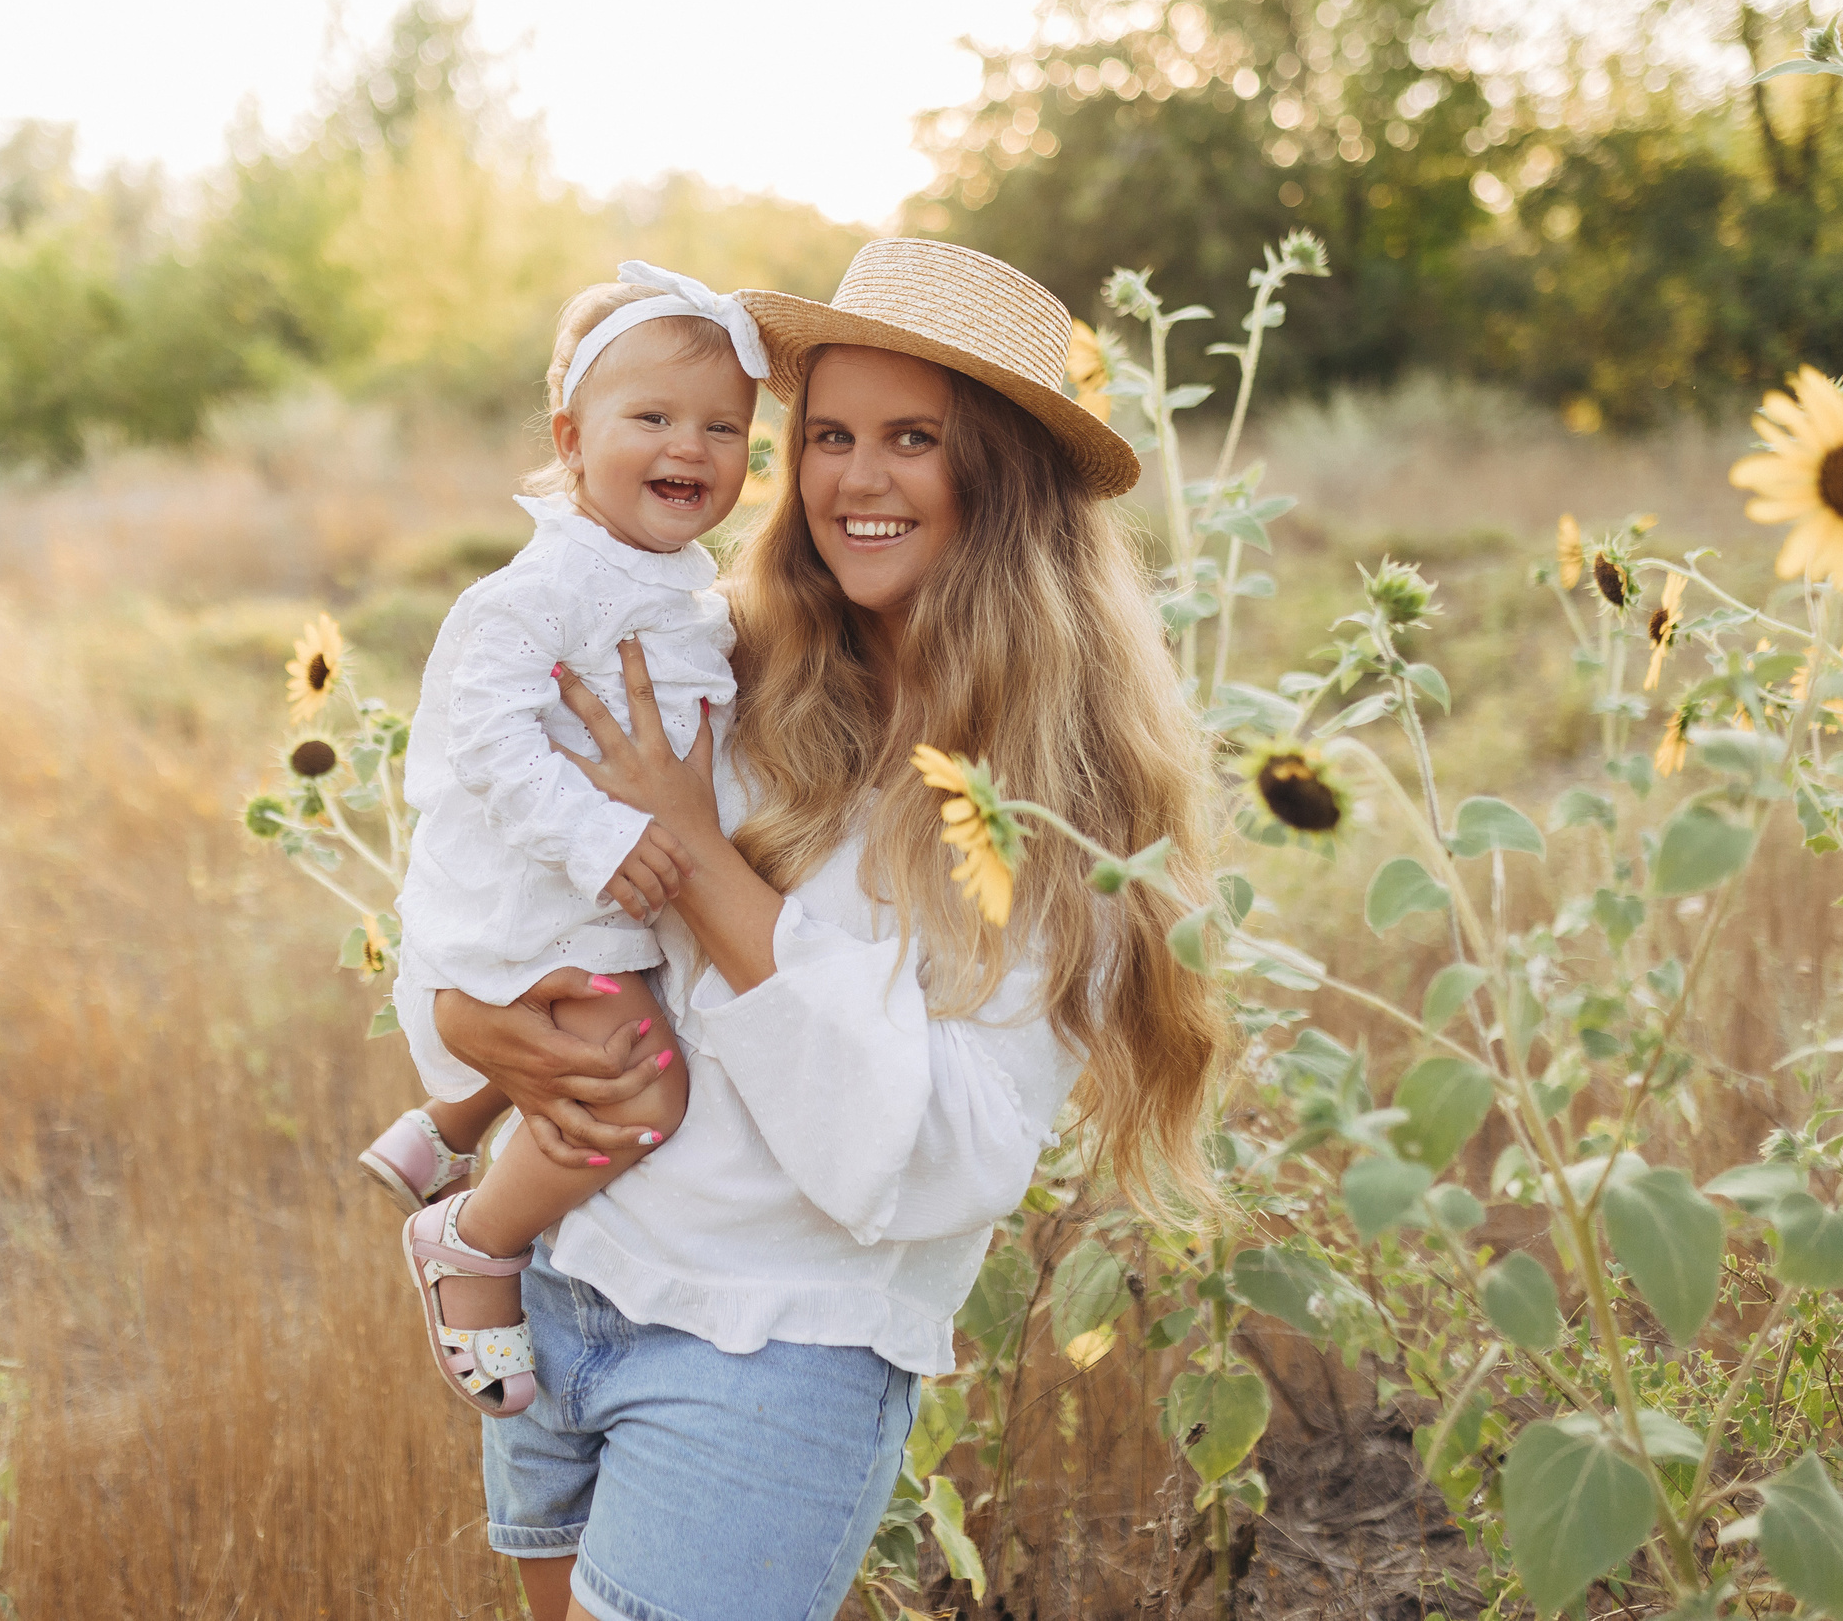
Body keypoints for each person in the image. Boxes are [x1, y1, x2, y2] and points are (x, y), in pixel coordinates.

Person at [393, 236, 1228, 1621]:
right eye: (829, 434)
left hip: (777, 1350)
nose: (853, 478)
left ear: (1006, 477)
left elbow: (938, 1155)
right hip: (568, 1278)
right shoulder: (728, 661)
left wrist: (707, 863)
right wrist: (465, 1022)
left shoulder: (1058, 802)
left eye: (914, 437)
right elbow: (500, 856)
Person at [363, 262, 770, 1418]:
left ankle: (441, 1127)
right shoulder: (539, 587)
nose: (689, 447)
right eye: (651, 418)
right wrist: (595, 837)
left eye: (724, 428)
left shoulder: (674, 581)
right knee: (637, 1095)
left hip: (594, 893)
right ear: (571, 436)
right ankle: (474, 1242)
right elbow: (483, 737)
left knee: (584, 1038)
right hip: (539, 894)